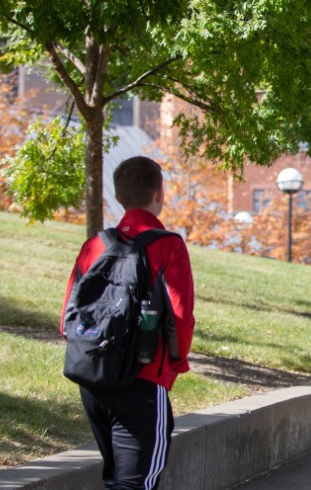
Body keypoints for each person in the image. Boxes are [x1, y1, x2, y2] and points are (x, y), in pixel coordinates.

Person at [60, 156, 195, 489]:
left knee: (117, 480)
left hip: (94, 381)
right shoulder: (168, 246)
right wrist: (175, 365)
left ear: (118, 197)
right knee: (137, 484)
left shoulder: (95, 245)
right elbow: (180, 319)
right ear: (159, 193)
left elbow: (67, 318)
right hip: (144, 381)